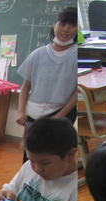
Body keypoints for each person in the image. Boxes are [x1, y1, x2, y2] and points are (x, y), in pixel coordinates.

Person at [16, 6, 79, 138]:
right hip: (33, 115)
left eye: (72, 25)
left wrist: (59, 116)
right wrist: (21, 111)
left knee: (55, 150)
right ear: (55, 25)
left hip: (61, 114)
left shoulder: (77, 55)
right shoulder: (37, 54)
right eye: (62, 24)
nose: (66, 29)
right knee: (32, 150)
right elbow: (26, 86)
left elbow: (76, 92)